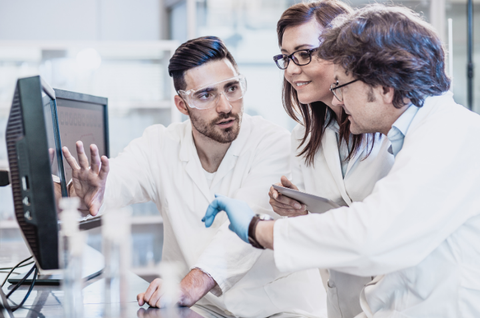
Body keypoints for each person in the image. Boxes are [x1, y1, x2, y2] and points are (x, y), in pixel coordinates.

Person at [204, 4, 480, 317]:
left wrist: (258, 230)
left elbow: (373, 235)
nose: (338, 98)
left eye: (343, 86)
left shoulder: (451, 134)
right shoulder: (414, 136)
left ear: (385, 88)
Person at [62, 36, 327, 318]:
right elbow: (114, 182)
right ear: (181, 104)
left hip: (278, 310)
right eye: (206, 95)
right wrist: (87, 194)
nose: (225, 106)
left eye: (232, 88)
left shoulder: (273, 143)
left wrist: (186, 288)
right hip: (203, 309)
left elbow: (243, 234)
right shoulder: (159, 144)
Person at [269, 1, 393, 317]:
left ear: (345, 50)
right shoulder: (305, 135)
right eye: (286, 57)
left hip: (396, 301)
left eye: (304, 53)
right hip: (342, 304)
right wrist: (297, 214)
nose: (292, 69)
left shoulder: (391, 127)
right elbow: (322, 233)